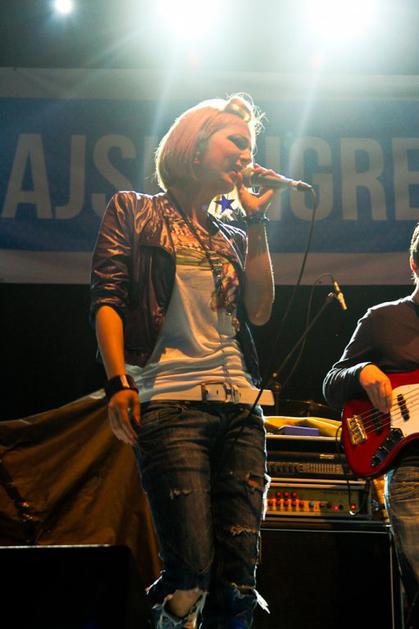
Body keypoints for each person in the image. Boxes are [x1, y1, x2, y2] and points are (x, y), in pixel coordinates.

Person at [90, 94, 278, 629]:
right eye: (235, 141)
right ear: (195, 146)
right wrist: (118, 383)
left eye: (251, 147)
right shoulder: (134, 210)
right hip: (171, 404)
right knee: (190, 570)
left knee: (238, 585)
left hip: (240, 409)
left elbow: (260, 312)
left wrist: (256, 223)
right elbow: (107, 299)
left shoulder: (232, 236)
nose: (246, 155)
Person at [323, 223, 419, 626]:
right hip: (413, 472)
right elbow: (332, 383)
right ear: (414, 264)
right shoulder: (383, 319)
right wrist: (362, 372)